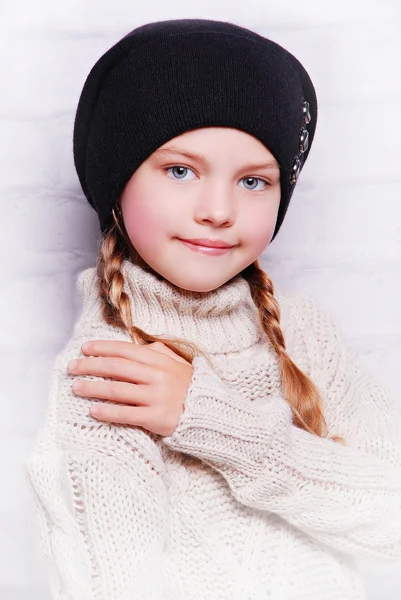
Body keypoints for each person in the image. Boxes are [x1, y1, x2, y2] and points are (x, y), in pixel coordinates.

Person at [24, 18, 401, 600]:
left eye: (254, 181)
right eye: (180, 170)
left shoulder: (306, 334)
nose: (218, 209)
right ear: (117, 179)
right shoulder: (109, 371)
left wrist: (209, 419)